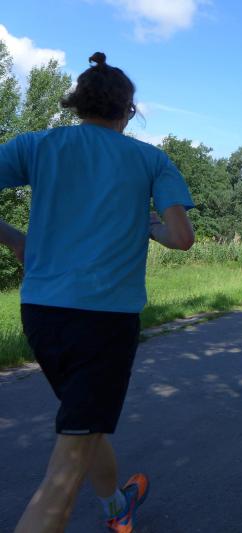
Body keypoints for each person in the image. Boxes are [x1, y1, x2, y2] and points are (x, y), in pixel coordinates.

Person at [0, 52, 195, 533]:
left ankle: (116, 507)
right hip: (104, 322)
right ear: (128, 110)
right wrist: (149, 225)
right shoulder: (151, 160)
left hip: (40, 314)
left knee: (83, 427)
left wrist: (16, 240)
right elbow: (181, 237)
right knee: (62, 479)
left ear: (77, 103)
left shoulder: (36, 145)